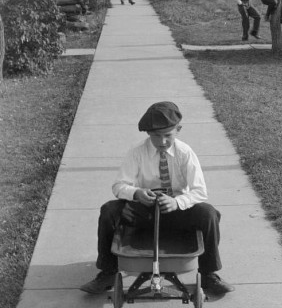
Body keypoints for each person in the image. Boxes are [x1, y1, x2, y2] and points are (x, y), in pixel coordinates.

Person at [80, 101, 235, 296]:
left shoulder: (185, 153)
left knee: (209, 214)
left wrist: (177, 202)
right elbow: (119, 186)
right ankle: (107, 272)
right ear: (148, 134)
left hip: (175, 211)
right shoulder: (137, 152)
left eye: (167, 135)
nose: (162, 141)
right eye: (155, 136)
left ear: (178, 130)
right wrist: (136, 193)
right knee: (109, 211)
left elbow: (200, 191)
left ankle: (208, 274)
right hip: (145, 210)